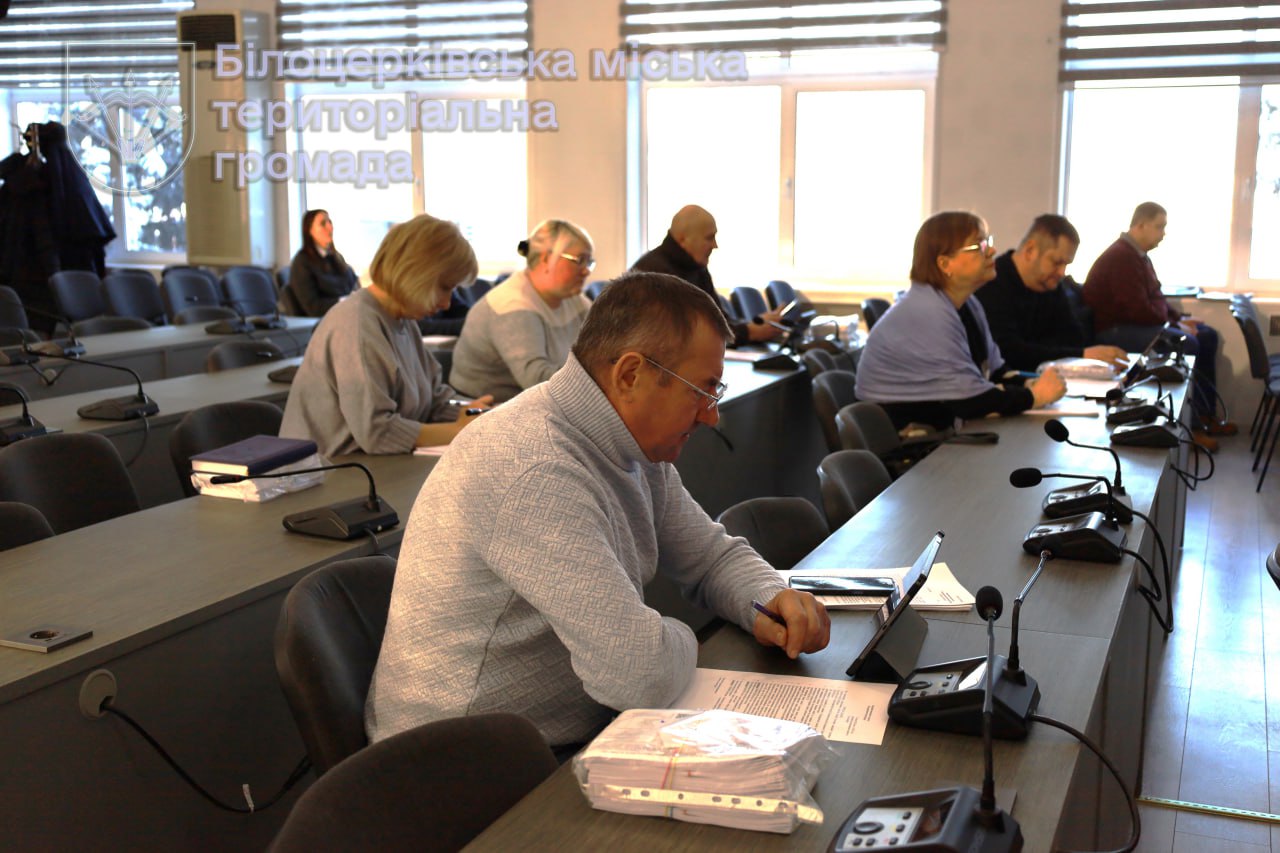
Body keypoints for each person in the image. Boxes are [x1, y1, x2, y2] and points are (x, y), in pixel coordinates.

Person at [365, 272, 831, 753]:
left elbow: (711, 558)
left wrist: (770, 596)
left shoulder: (631, 446)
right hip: (463, 761)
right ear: (630, 375)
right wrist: (682, 637)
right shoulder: (534, 466)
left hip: (554, 734)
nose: (711, 415)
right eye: (702, 391)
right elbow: (638, 674)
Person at [280, 214, 492, 457]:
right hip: (327, 472)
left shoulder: (403, 319)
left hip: (368, 465)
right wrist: (456, 430)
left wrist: (470, 412)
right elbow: (377, 433)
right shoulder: (357, 323)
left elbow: (432, 401)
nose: (446, 303)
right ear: (414, 273)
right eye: (444, 288)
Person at [854, 211, 1066, 431]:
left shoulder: (967, 304)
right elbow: (970, 401)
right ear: (945, 264)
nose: (992, 251)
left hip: (939, 431)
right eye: (979, 246)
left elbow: (995, 372)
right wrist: (1034, 396)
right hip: (907, 441)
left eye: (988, 242)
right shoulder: (927, 312)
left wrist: (1031, 382)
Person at [1082, 202, 1234, 438]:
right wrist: (1174, 325)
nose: (1163, 233)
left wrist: (1179, 319)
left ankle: (1205, 415)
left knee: (1207, 335)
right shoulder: (1122, 257)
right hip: (1116, 330)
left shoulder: (1139, 256)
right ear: (1141, 225)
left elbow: (1156, 298)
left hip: (1136, 325)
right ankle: (1192, 427)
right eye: (1159, 226)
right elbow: (1138, 310)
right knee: (1188, 344)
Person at [448, 219, 594, 403]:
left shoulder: (574, 299)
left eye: (589, 262)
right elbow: (536, 380)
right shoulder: (513, 305)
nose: (586, 271)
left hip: (527, 402)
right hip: (484, 406)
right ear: (546, 258)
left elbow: (599, 350)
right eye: (580, 260)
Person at [975, 214, 1128, 372]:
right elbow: (1009, 353)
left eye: (1066, 264)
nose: (1062, 272)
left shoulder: (1050, 285)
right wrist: (1080, 355)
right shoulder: (992, 283)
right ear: (1030, 250)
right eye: (1057, 262)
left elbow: (1074, 338)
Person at [631, 204, 784, 346]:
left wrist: (754, 324)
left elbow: (717, 321)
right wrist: (750, 332)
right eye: (709, 238)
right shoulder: (653, 275)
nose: (715, 245)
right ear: (683, 239)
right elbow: (688, 335)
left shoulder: (696, 267)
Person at [288, 209, 359, 317]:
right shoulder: (302, 262)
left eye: (330, 222)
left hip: (347, 313)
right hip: (328, 319)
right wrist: (344, 301)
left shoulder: (335, 257)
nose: (330, 227)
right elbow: (313, 307)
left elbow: (353, 282)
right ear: (309, 231)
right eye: (322, 223)